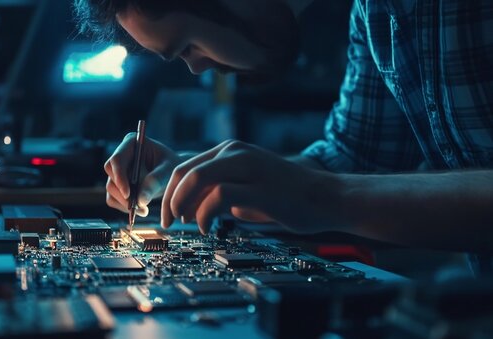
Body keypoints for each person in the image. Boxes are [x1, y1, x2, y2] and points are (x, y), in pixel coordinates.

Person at [73, 0, 493, 270]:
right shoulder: (376, 12)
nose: (197, 68)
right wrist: (197, 173)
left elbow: (330, 191)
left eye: (187, 45)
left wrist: (323, 196)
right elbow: (350, 160)